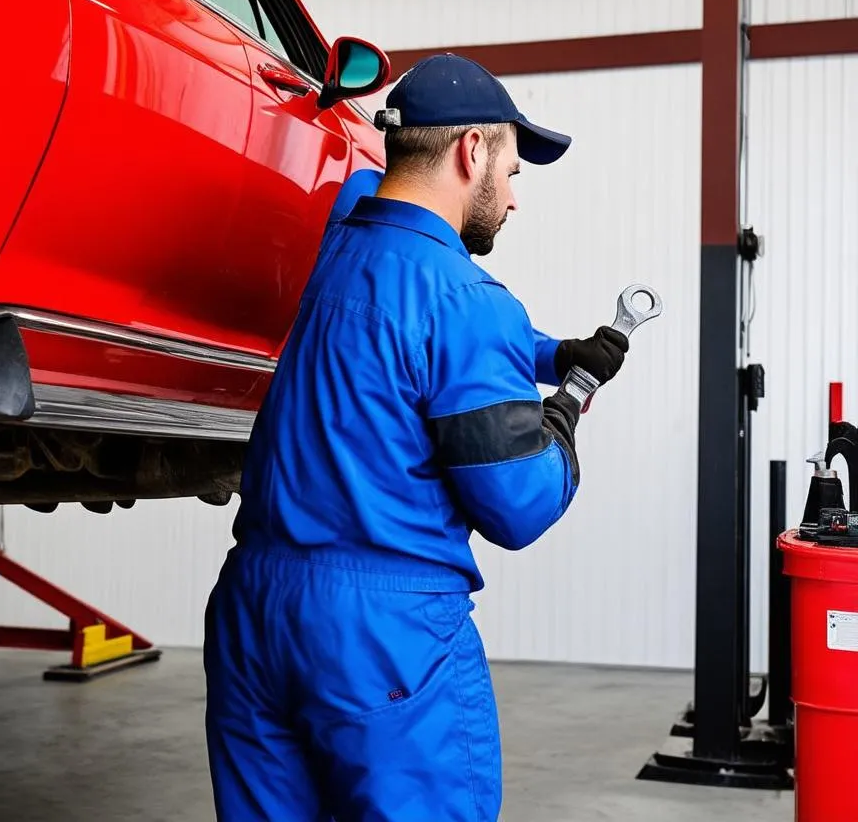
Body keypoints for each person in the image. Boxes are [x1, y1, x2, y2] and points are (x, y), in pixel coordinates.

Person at [203, 53, 629, 821]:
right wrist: (562, 416)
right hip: (382, 635)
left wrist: (548, 354)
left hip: (256, 609)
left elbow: (402, 308)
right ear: (472, 152)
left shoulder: (337, 246)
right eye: (512, 168)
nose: (513, 200)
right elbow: (518, 507)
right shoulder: (468, 302)